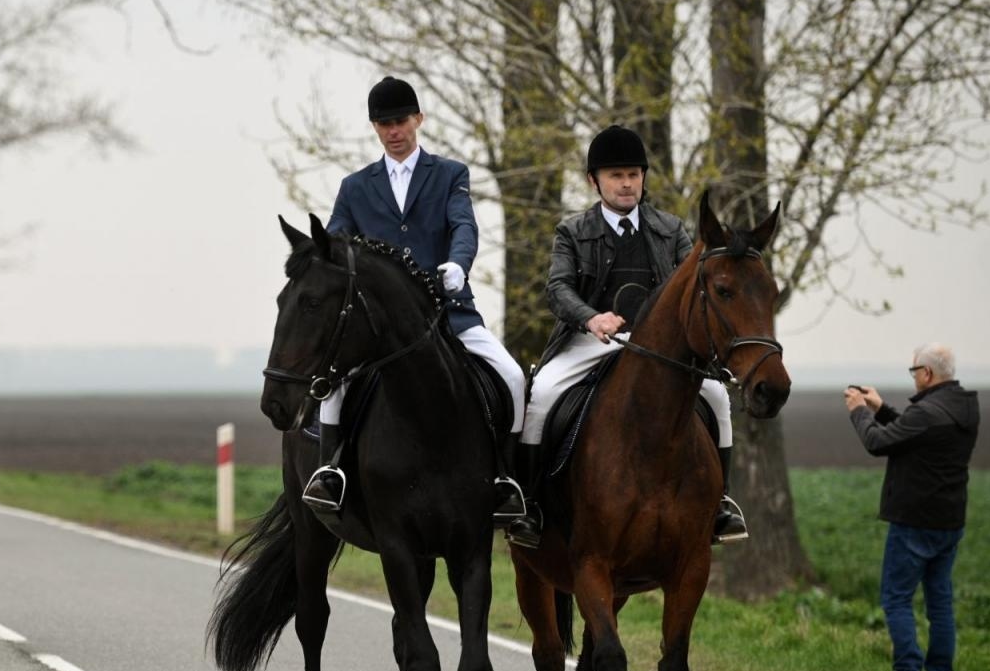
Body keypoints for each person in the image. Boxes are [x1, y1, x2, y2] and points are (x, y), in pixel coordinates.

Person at [508, 124, 745, 547]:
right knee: (541, 394)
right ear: (593, 181)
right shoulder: (572, 231)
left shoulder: (671, 230)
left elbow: (690, 291)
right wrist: (591, 319)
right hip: (590, 342)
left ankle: (720, 504)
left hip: (660, 351)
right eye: (616, 175)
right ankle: (530, 506)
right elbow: (557, 288)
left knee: (718, 399)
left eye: (634, 174)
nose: (626, 184)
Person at [303, 75, 527, 516]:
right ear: (374, 127)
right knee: (333, 389)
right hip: (381, 329)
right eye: (383, 123)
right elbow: (334, 244)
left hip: (449, 314)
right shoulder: (355, 187)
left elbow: (464, 225)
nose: (394, 131)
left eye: (401, 120)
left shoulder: (449, 175)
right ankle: (332, 472)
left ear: (418, 119)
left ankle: (506, 478)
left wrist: (458, 266)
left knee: (514, 378)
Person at [845, 344, 980, 671]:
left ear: (928, 373)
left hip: (914, 521)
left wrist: (860, 412)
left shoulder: (929, 413)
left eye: (913, 370)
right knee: (939, 601)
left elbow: (877, 442)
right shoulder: (963, 407)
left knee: (896, 598)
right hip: (949, 521)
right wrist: (882, 407)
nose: (913, 376)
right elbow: (914, 434)